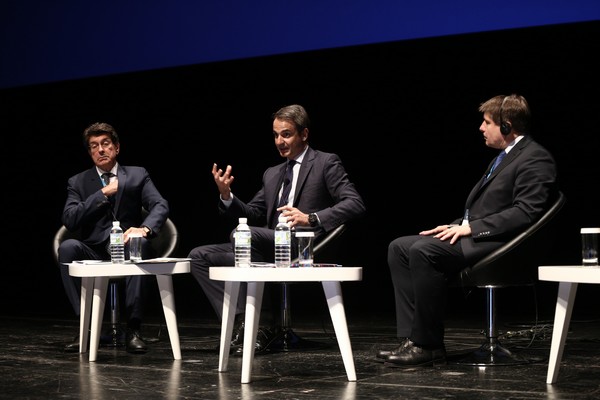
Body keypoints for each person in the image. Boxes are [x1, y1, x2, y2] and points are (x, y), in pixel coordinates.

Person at [376, 94, 559, 367]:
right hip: (479, 234)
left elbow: (526, 212)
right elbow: (489, 208)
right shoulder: (505, 157)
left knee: (424, 250)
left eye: (487, 122)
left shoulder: (535, 157)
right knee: (399, 247)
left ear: (506, 126)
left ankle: (428, 345)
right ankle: (412, 339)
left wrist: (471, 228)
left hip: (503, 243)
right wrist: (457, 225)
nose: (481, 128)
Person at [188, 104, 366, 354]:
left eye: (286, 134)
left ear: (304, 134)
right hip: (269, 244)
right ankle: (243, 323)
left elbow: (355, 203)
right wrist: (227, 196)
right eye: (275, 135)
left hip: (303, 246)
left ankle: (262, 325)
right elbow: (252, 213)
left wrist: (310, 218)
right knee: (198, 256)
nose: (279, 142)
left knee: (242, 235)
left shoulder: (325, 162)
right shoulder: (272, 173)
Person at [58, 122, 170, 354]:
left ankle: (134, 329)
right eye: (94, 146)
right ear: (90, 152)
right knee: (68, 247)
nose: (100, 149)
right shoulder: (77, 182)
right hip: (95, 251)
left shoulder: (137, 174)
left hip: (129, 248)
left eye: (105, 144)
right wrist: (102, 193)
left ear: (116, 148)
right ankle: (88, 328)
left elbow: (160, 204)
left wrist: (144, 229)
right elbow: (70, 219)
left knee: (141, 245)